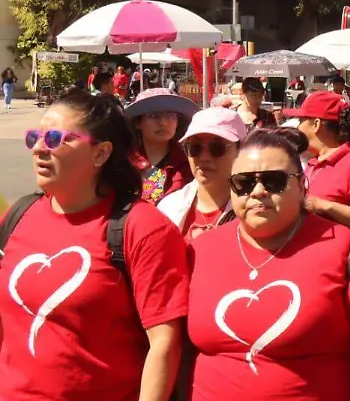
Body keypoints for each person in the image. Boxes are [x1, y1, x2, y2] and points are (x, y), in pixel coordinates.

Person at [186, 127, 350, 401]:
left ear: (301, 186)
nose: (258, 191)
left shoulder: (346, 250)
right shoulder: (200, 250)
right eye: (244, 182)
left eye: (274, 181)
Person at [0, 90, 190, 400]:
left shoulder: (142, 228)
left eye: (55, 139)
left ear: (101, 153)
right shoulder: (20, 215)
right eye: (35, 136)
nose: (38, 149)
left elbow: (164, 344)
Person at [283, 91, 350, 237]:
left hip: (342, 256)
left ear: (316, 124)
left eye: (301, 121)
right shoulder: (314, 162)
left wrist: (323, 206)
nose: (298, 127)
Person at [158, 107, 245, 242]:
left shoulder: (253, 210)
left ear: (240, 150)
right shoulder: (169, 208)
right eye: (195, 148)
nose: (204, 158)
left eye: (217, 148)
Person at [126, 87, 197, 204]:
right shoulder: (125, 163)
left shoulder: (190, 162)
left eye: (171, 115)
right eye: (154, 116)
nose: (163, 123)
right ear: (138, 122)